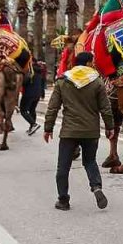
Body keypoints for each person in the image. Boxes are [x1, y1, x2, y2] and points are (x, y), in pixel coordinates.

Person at [44, 51, 114, 211]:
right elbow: (105, 108)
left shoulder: (63, 81)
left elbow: (53, 107)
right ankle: (96, 187)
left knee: (63, 167)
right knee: (89, 161)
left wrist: (48, 128)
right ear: (89, 63)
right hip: (91, 131)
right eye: (93, 61)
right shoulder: (97, 82)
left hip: (69, 132)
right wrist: (110, 127)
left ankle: (63, 200)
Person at [20, 60, 47, 135]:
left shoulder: (30, 72)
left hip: (29, 94)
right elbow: (43, 83)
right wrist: (42, 94)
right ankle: (32, 127)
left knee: (23, 110)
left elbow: (24, 82)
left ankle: (33, 124)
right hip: (37, 94)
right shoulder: (40, 72)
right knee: (32, 110)